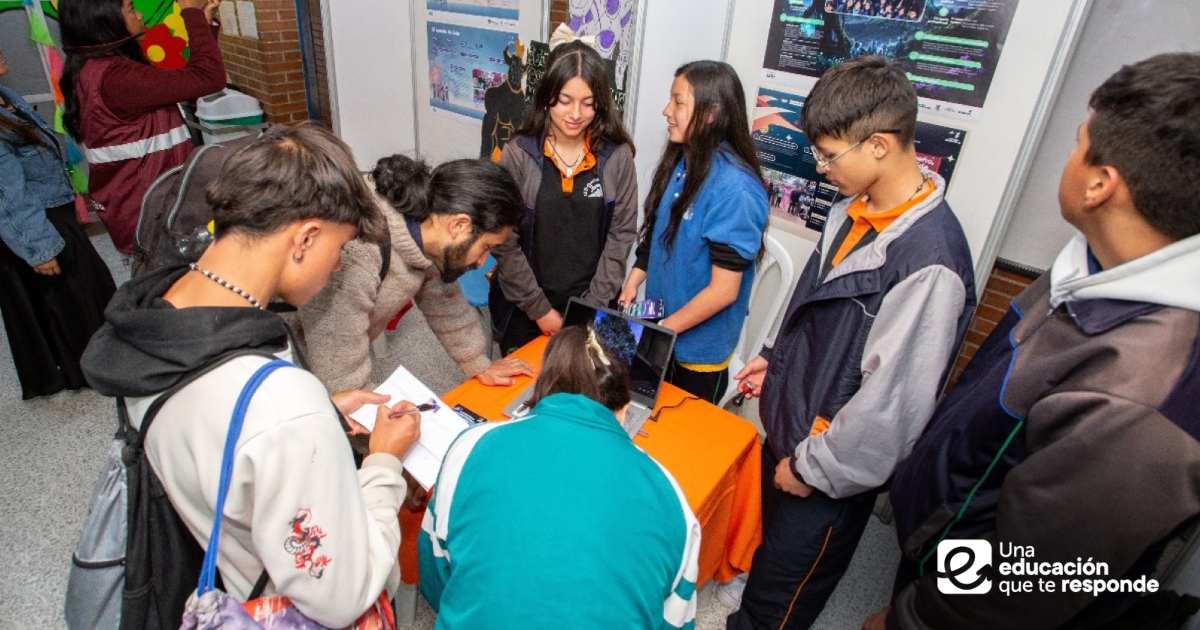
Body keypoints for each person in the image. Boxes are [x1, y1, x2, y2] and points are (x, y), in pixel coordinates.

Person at [864, 52, 1200, 630]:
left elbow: (1028, 586)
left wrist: (907, 619)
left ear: (1100, 184)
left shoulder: (1144, 398)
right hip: (943, 546)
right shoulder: (1093, 267)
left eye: (1078, 143)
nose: (1068, 158)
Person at [80, 127, 420, 627]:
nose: (338, 265)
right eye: (340, 246)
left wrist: (317, 420)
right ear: (304, 238)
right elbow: (341, 596)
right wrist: (385, 464)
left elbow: (220, 434)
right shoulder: (282, 407)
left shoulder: (160, 310)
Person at [724, 56, 975, 630]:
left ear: (880, 145)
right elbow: (809, 304)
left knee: (776, 607)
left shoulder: (930, 264)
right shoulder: (849, 210)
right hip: (793, 427)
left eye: (829, 155)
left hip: (826, 465)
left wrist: (811, 470)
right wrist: (772, 356)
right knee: (767, 560)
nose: (820, 167)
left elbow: (890, 412)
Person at [418, 324, 701, 629]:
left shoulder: (469, 446)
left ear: (541, 389)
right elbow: (674, 621)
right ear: (625, 411)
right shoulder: (672, 500)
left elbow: (436, 571)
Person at [296, 154, 534, 396]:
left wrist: (479, 364)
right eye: (486, 247)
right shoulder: (359, 252)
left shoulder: (429, 226)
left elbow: (444, 300)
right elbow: (341, 379)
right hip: (294, 365)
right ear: (459, 225)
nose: (483, 261)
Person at [618, 60, 769, 403]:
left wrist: (660, 331)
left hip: (695, 354)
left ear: (711, 113)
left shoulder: (736, 190)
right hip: (660, 326)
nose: (666, 111)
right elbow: (659, 234)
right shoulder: (685, 161)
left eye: (678, 102)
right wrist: (633, 281)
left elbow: (723, 292)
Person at [488, 37, 638, 355]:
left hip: (592, 311)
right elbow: (505, 242)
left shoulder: (617, 157)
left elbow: (620, 238)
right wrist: (540, 310)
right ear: (546, 98)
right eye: (564, 100)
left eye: (588, 102)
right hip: (525, 308)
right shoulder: (519, 153)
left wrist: (589, 311)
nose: (576, 113)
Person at [59, 0, 226, 258]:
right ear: (106, 20)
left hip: (142, 207)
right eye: (130, 8)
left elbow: (191, 79)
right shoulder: (115, 78)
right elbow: (207, 78)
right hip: (153, 215)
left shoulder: (95, 68)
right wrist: (191, 12)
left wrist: (204, 21)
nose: (139, 14)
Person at [0, 49, 115, 400]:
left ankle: (90, 365)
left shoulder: (8, 97)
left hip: (50, 211)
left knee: (86, 293)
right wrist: (38, 248)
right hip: (35, 221)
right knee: (69, 300)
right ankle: (82, 369)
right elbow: (6, 194)